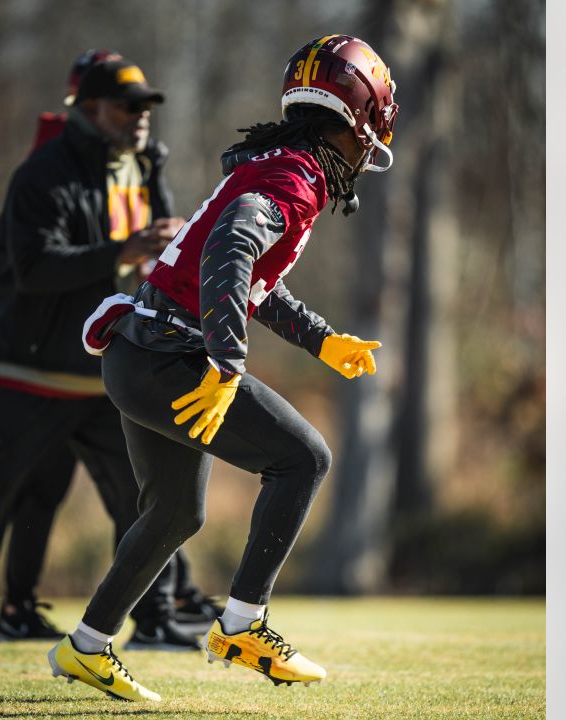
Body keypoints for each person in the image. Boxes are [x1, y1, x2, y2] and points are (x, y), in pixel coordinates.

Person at [47, 35, 399, 702]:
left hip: (138, 354)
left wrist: (322, 342)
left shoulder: (281, 166)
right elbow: (234, 249)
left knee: (176, 510)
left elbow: (250, 281)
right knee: (304, 459)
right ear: (354, 120)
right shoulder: (295, 179)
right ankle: (242, 626)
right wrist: (227, 363)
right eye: (371, 129)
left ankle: (86, 646)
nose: (368, 148)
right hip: (169, 357)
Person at [0, 52, 219, 651]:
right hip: (27, 374)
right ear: (86, 109)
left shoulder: (143, 167)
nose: (140, 116)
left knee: (152, 501)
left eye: (146, 106)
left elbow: (159, 258)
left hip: (101, 373)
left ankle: (157, 617)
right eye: (125, 105)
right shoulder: (42, 174)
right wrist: (122, 249)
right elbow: (32, 269)